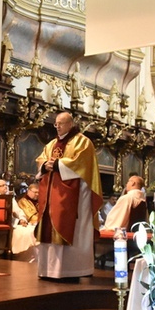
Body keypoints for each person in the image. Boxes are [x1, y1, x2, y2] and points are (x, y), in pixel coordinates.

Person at [35, 112, 102, 281]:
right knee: (48, 227)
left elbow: (82, 163)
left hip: (74, 197)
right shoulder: (51, 144)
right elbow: (41, 159)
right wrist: (45, 165)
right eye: (56, 124)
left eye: (61, 123)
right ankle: (48, 270)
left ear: (71, 124)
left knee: (71, 225)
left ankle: (71, 271)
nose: (57, 126)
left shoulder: (83, 142)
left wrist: (57, 163)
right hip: (51, 193)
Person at [12, 183, 40, 261]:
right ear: (28, 191)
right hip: (29, 223)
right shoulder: (23, 201)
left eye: (38, 193)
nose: (37, 194)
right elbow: (31, 216)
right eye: (35, 192)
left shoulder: (40, 201)